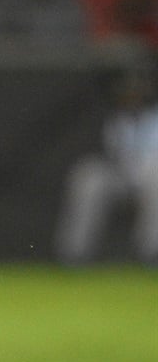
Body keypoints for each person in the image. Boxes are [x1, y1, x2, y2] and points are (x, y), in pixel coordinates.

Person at [54, 65, 158, 266]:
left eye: (137, 92)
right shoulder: (116, 120)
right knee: (88, 175)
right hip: (122, 175)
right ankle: (75, 254)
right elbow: (111, 156)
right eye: (128, 93)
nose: (132, 97)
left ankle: (151, 252)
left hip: (151, 178)